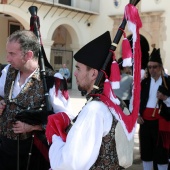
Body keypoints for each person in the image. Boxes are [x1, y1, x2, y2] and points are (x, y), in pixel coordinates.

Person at [48, 31, 135, 170]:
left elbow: (71, 163)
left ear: (93, 73)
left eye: (78, 68)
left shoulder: (94, 109)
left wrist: (56, 139)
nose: (75, 73)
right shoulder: (118, 103)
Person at [0, 30, 65, 170]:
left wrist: (34, 127)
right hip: (4, 149)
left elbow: (64, 119)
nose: (8, 58)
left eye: (12, 54)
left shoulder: (52, 80)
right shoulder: (8, 71)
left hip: (32, 152)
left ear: (29, 55)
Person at [138, 48, 170, 170]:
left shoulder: (168, 82)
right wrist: (137, 115)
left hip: (161, 122)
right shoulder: (144, 82)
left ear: (161, 67)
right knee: (146, 153)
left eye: (155, 67)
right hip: (145, 122)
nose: (152, 70)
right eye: (150, 67)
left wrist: (165, 98)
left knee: (161, 154)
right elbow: (136, 101)